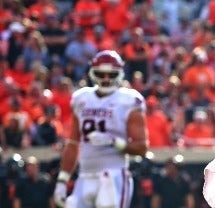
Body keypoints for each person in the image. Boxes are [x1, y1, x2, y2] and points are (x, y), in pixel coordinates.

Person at [53, 50, 148, 208]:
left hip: (113, 175)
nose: (105, 79)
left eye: (111, 75)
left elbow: (142, 147)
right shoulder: (81, 98)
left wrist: (114, 142)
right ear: (92, 73)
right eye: (101, 73)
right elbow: (73, 143)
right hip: (85, 176)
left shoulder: (129, 100)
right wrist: (62, 180)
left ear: (119, 74)